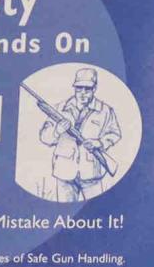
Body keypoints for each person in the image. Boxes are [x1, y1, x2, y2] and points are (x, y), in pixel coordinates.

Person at [38, 66, 121, 203]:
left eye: (87, 89)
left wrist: (99, 143)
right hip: (64, 171)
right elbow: (44, 137)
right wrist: (57, 131)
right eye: (79, 88)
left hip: (91, 172)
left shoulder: (105, 111)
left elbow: (114, 133)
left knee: (96, 209)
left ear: (94, 89)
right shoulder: (59, 108)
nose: (82, 93)